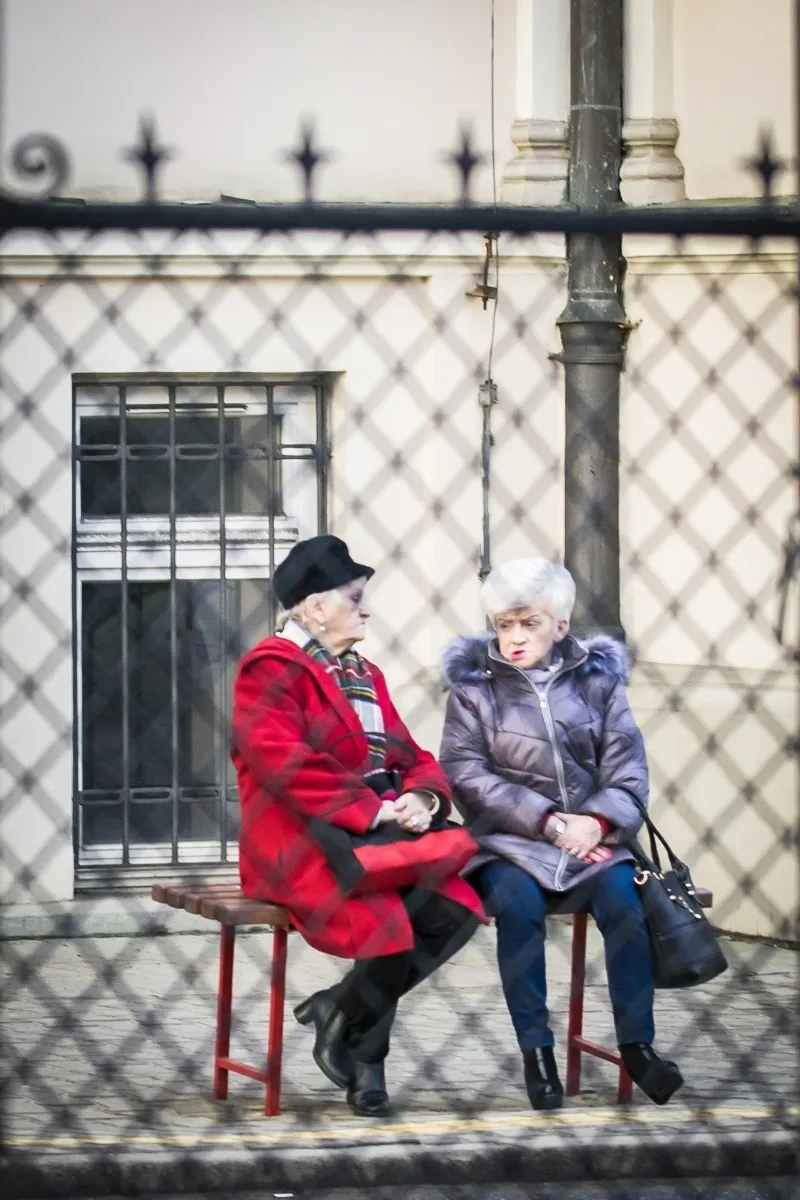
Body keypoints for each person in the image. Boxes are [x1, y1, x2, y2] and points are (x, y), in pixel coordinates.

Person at [231, 534, 486, 1117]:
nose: (366, 608)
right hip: (297, 842)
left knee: (457, 908)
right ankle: (369, 1066)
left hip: (367, 836)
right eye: (355, 596)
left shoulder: (363, 673)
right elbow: (283, 764)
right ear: (317, 606)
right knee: (390, 919)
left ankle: (337, 1007)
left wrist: (421, 797)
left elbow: (410, 754)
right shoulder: (268, 668)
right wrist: (372, 809)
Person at [439, 557, 683, 1110]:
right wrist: (548, 822)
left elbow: (628, 770)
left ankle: (638, 1047)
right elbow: (465, 773)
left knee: (625, 904)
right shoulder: (474, 689)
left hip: (592, 843)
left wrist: (595, 821)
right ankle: (538, 1055)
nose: (515, 637)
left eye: (529, 623)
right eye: (505, 624)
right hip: (511, 844)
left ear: (560, 625)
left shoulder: (599, 683)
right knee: (519, 911)